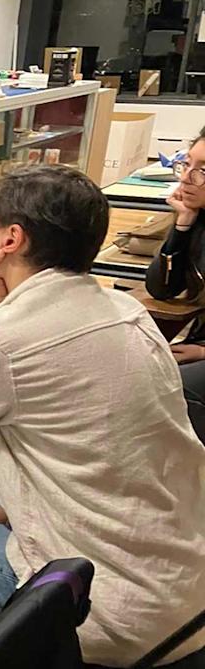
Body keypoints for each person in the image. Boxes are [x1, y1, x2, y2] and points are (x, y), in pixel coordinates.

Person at [0, 165, 205, 669]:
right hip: (183, 589)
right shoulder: (124, 309)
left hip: (107, 606)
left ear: (10, 238)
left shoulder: (7, 337)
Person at [145, 127, 205, 442]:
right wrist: (182, 224)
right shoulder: (199, 220)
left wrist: (201, 350)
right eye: (186, 165)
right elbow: (161, 289)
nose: (186, 178)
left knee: (172, 389)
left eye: (202, 171)